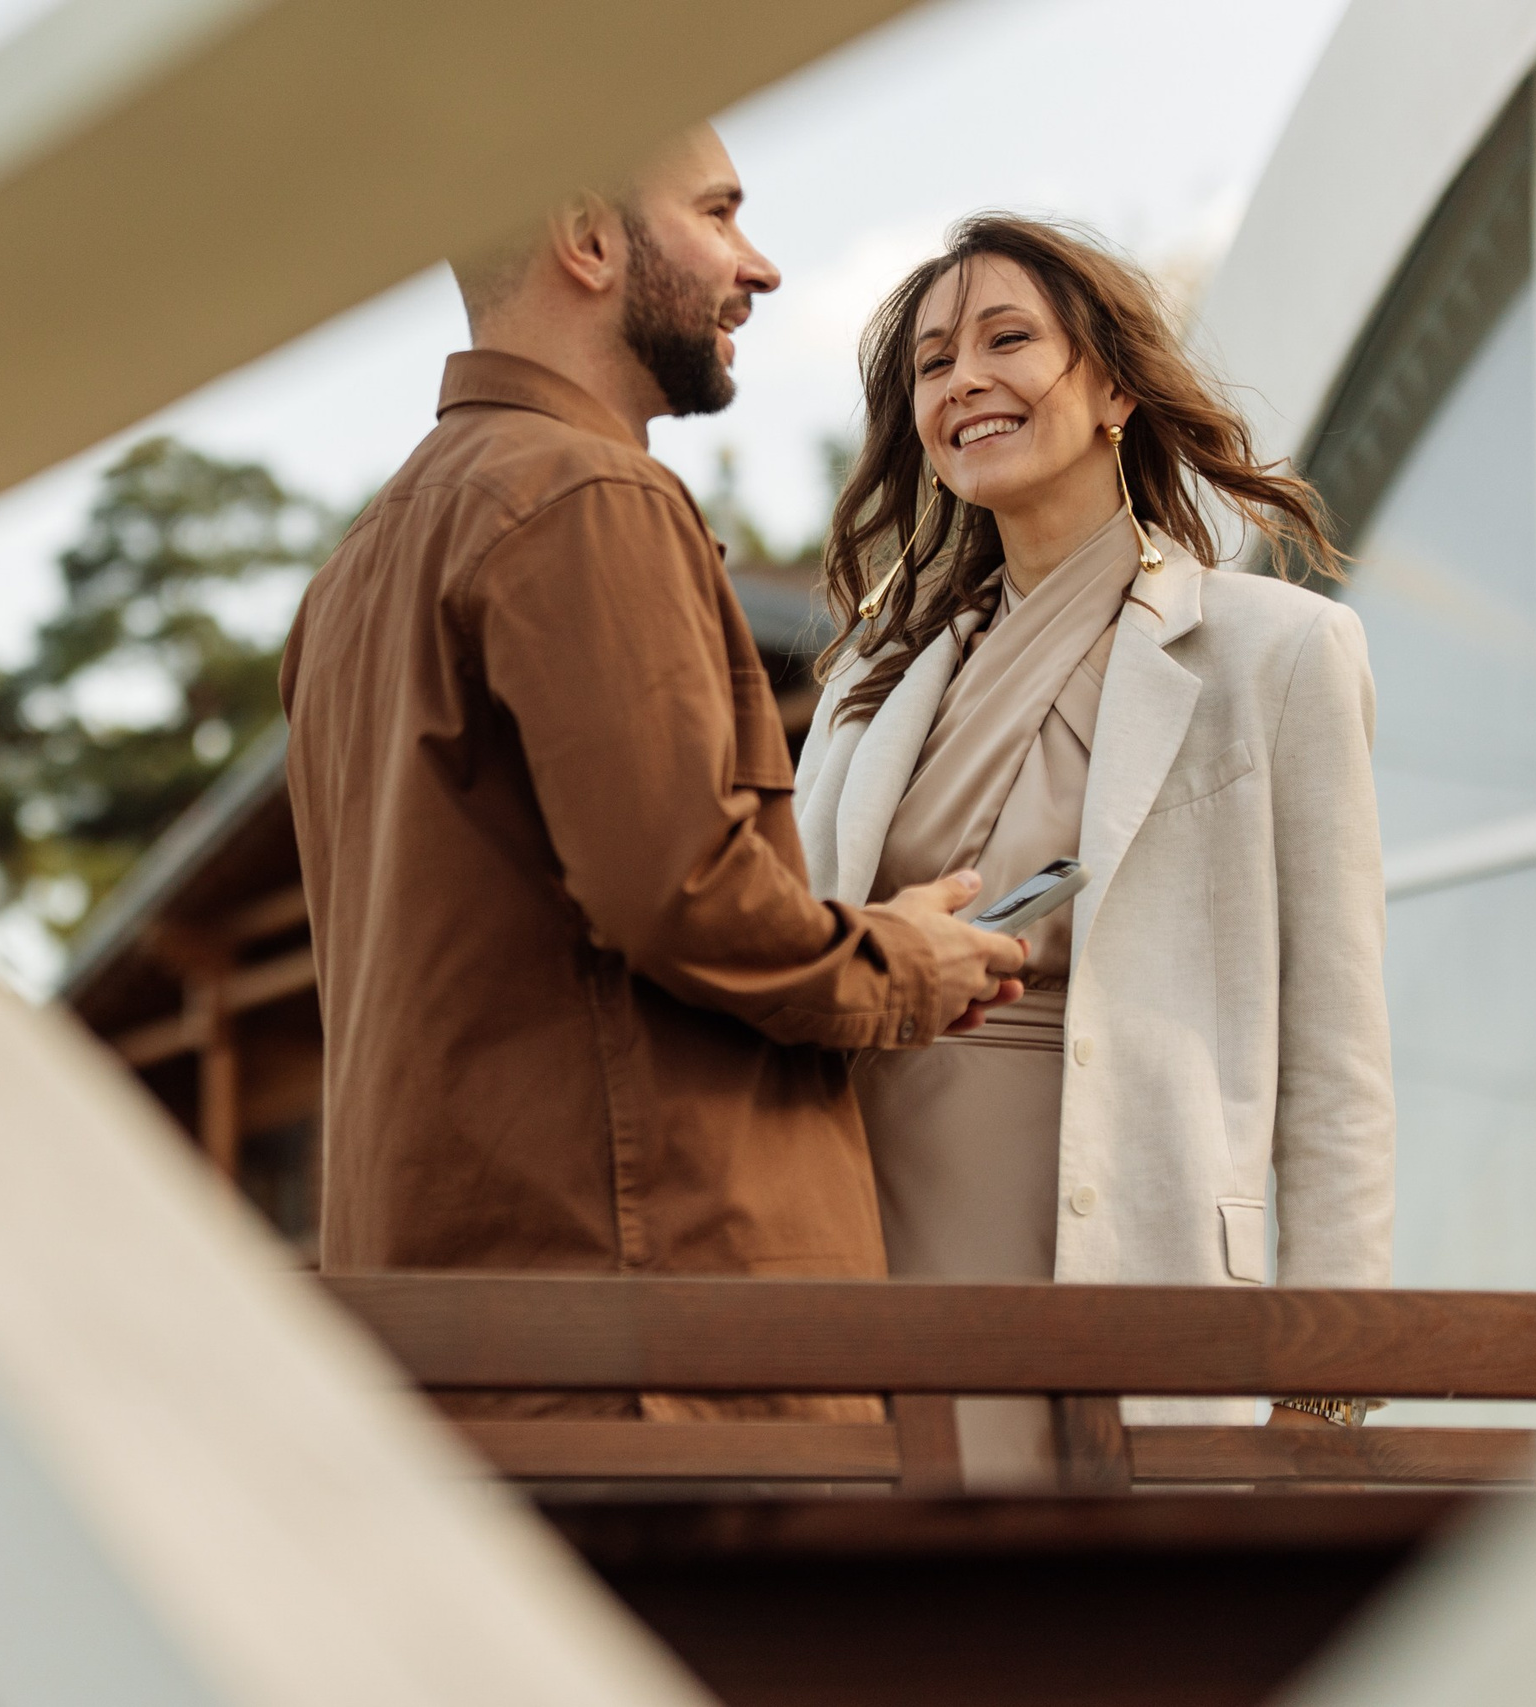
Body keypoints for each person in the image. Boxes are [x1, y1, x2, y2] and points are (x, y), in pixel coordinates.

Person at [278, 128, 1027, 1421]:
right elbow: (683, 893)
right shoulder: (588, 497)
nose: (762, 267)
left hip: (473, 1352)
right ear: (588, 237)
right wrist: (907, 958)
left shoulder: (355, 569)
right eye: (719, 214)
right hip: (662, 1357)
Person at [795, 215, 1393, 1479]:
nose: (964, 382)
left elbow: (1336, 1051)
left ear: (1114, 383)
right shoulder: (864, 682)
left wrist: (1332, 1385)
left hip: (1135, 1221)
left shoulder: (1275, 652)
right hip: (871, 1218)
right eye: (932, 365)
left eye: (1008, 340)